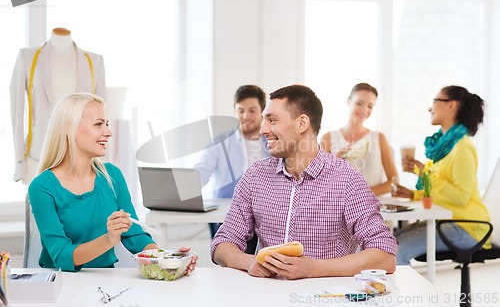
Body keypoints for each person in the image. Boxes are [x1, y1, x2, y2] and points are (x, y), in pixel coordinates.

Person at [211, 85, 397, 279]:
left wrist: (313, 269)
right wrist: (249, 262)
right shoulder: (255, 176)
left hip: (327, 297)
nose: (263, 129)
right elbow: (222, 244)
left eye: (272, 120)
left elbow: (385, 256)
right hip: (266, 295)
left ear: (302, 124)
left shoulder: (347, 180)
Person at [28, 93, 197, 272]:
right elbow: (61, 256)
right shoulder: (42, 187)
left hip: (105, 279)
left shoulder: (112, 176)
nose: (108, 132)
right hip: (61, 283)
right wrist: (109, 239)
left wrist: (168, 260)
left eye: (106, 124)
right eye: (98, 124)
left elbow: (135, 236)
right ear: (70, 128)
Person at [393, 85, 491, 265]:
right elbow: (440, 191)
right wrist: (414, 193)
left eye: (435, 101)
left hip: (466, 227)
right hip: (446, 222)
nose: (430, 108)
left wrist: (426, 174)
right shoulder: (442, 148)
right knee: (386, 243)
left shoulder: (463, 147)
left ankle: (406, 294)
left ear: (451, 106)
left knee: (395, 251)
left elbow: (460, 197)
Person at [10, 27, 107, 185]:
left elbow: (101, 119)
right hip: (37, 159)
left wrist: (101, 166)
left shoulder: (94, 62)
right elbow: (16, 112)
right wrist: (19, 162)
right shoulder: (27, 57)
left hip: (80, 163)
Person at [195, 85, 269, 242]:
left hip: (265, 217)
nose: (246, 116)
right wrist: (184, 188)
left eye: (252, 110)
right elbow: (202, 171)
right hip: (228, 216)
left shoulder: (273, 143)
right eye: (241, 111)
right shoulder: (220, 142)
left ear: (262, 111)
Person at [320, 83, 398, 197]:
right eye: (359, 103)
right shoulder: (328, 138)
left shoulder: (379, 138)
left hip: (372, 208)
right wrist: (334, 162)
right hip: (339, 210)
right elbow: (317, 183)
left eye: (370, 106)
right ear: (349, 101)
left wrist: (360, 195)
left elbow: (393, 181)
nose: (364, 110)